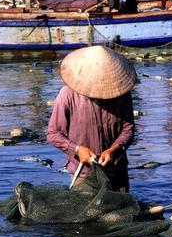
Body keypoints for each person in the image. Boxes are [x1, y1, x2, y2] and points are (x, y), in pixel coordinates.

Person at [47, 45, 136, 192]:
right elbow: (54, 134)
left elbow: (128, 129)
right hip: (83, 174)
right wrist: (77, 149)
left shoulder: (122, 95)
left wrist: (113, 150)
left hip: (117, 170)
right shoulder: (67, 95)